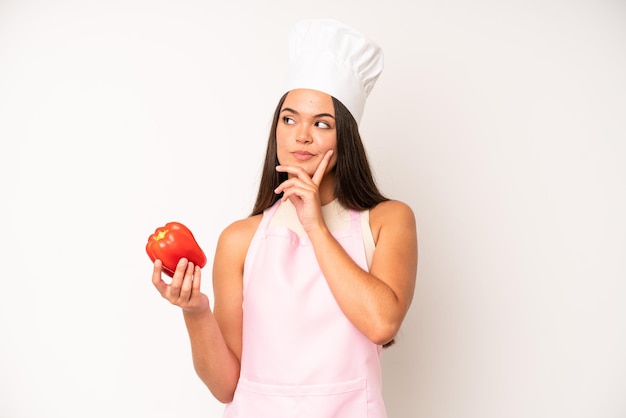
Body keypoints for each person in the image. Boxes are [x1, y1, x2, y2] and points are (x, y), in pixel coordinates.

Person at [151, 18, 418, 418]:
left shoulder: (386, 220)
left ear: (345, 136)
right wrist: (195, 311)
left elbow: (381, 323)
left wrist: (314, 224)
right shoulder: (240, 239)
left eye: (321, 124)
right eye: (289, 119)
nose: (301, 136)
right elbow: (227, 385)